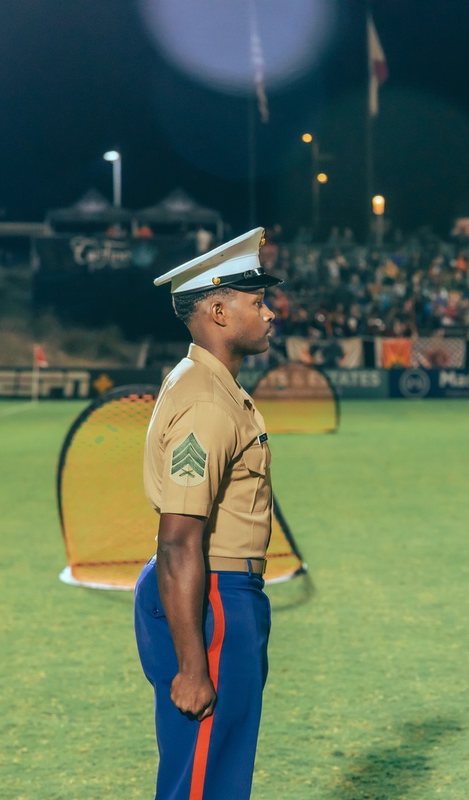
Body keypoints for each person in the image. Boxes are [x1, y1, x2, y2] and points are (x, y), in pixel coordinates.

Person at [134, 227, 281, 799]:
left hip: (217, 591)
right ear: (218, 310)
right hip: (211, 596)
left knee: (212, 771)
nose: (269, 313)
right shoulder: (206, 401)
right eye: (256, 301)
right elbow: (177, 541)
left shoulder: (206, 383)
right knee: (202, 779)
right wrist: (195, 668)